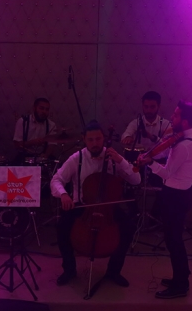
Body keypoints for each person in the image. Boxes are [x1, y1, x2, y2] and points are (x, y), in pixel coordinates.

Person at [50, 121, 141, 287]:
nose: (95, 143)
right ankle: (69, 269)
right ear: (84, 139)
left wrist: (121, 160)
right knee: (62, 227)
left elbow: (136, 179)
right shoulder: (76, 158)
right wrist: (63, 194)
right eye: (90, 140)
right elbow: (56, 179)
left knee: (128, 228)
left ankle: (114, 271)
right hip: (82, 206)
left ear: (103, 138)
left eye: (98, 139)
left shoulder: (113, 157)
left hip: (108, 208)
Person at [142, 101, 192, 299]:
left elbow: (167, 173)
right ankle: (181, 275)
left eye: (176, 116)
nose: (171, 118)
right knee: (174, 239)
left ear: (184, 121)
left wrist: (150, 162)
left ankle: (181, 284)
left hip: (175, 196)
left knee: (173, 240)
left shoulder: (184, 145)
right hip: (182, 194)